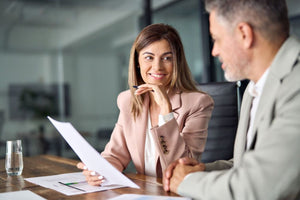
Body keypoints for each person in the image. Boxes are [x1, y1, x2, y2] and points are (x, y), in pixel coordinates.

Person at [163, 0, 300, 199]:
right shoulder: (254, 88)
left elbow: (260, 186)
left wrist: (187, 181)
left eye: (216, 39)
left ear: (245, 34)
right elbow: (244, 165)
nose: (214, 51)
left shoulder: (295, 85)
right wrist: (202, 170)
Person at [77, 23, 214, 185]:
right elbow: (115, 155)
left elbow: (183, 166)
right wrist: (99, 169)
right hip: (144, 190)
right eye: (149, 57)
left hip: (179, 191)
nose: (157, 67)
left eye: (167, 58)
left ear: (177, 62)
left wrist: (166, 112)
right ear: (137, 62)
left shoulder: (198, 103)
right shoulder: (128, 100)